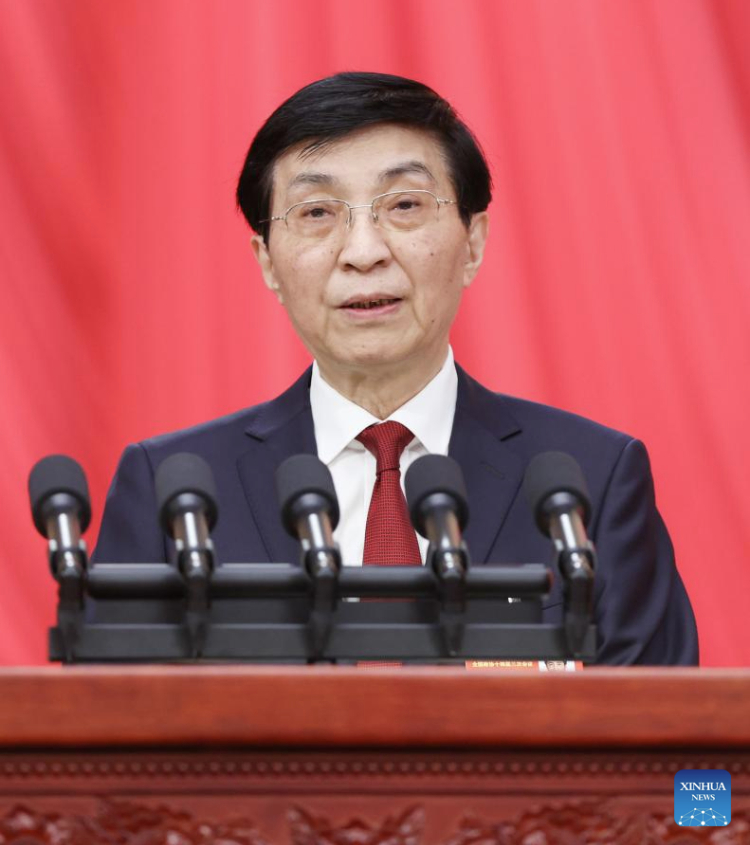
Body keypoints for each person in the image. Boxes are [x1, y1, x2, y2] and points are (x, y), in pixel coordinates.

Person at [93, 72, 698, 665]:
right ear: (268, 263)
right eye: (316, 212)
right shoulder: (173, 492)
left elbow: (663, 724)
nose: (363, 253)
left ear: (473, 242)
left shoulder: (593, 481)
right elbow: (105, 720)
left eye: (404, 205)